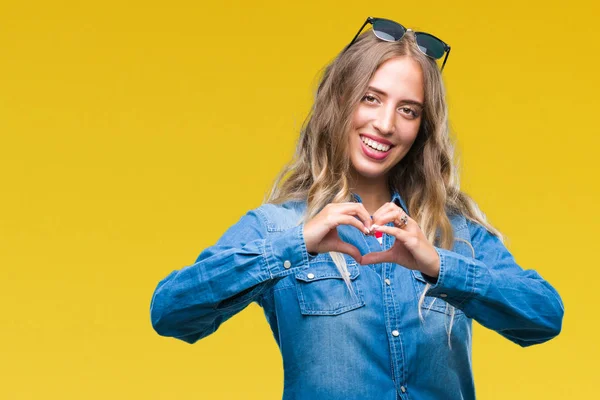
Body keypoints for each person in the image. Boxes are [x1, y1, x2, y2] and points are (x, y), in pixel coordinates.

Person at [150, 16, 564, 400]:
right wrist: (293, 247)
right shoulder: (279, 228)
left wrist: (439, 265)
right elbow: (171, 312)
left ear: (422, 127)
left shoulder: (454, 232)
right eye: (371, 98)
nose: (386, 124)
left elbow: (543, 316)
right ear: (340, 103)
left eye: (408, 110)